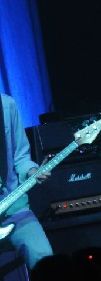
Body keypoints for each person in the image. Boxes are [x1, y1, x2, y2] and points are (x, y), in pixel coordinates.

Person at [0, 93, 53, 269]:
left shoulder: (7, 105)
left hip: (13, 207)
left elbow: (20, 156)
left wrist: (32, 171)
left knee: (44, 259)